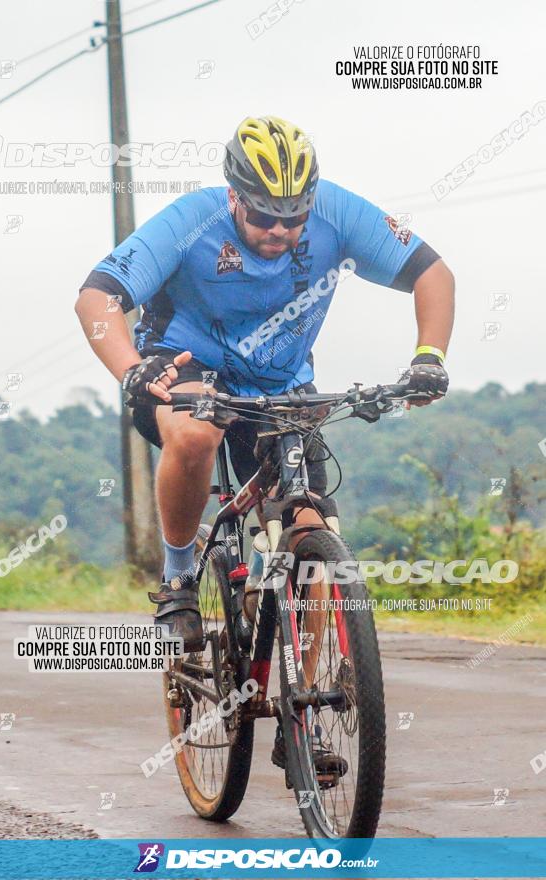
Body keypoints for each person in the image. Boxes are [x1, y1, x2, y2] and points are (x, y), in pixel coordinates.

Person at [75, 115, 454, 654]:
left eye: (294, 217)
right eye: (262, 215)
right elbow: (96, 297)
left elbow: (432, 273)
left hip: (278, 383)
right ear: (234, 196)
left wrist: (429, 357)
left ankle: (307, 711)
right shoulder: (192, 219)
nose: (278, 230)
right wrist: (130, 368)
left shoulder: (337, 211)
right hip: (184, 364)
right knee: (195, 434)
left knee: (313, 528)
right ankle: (180, 578)